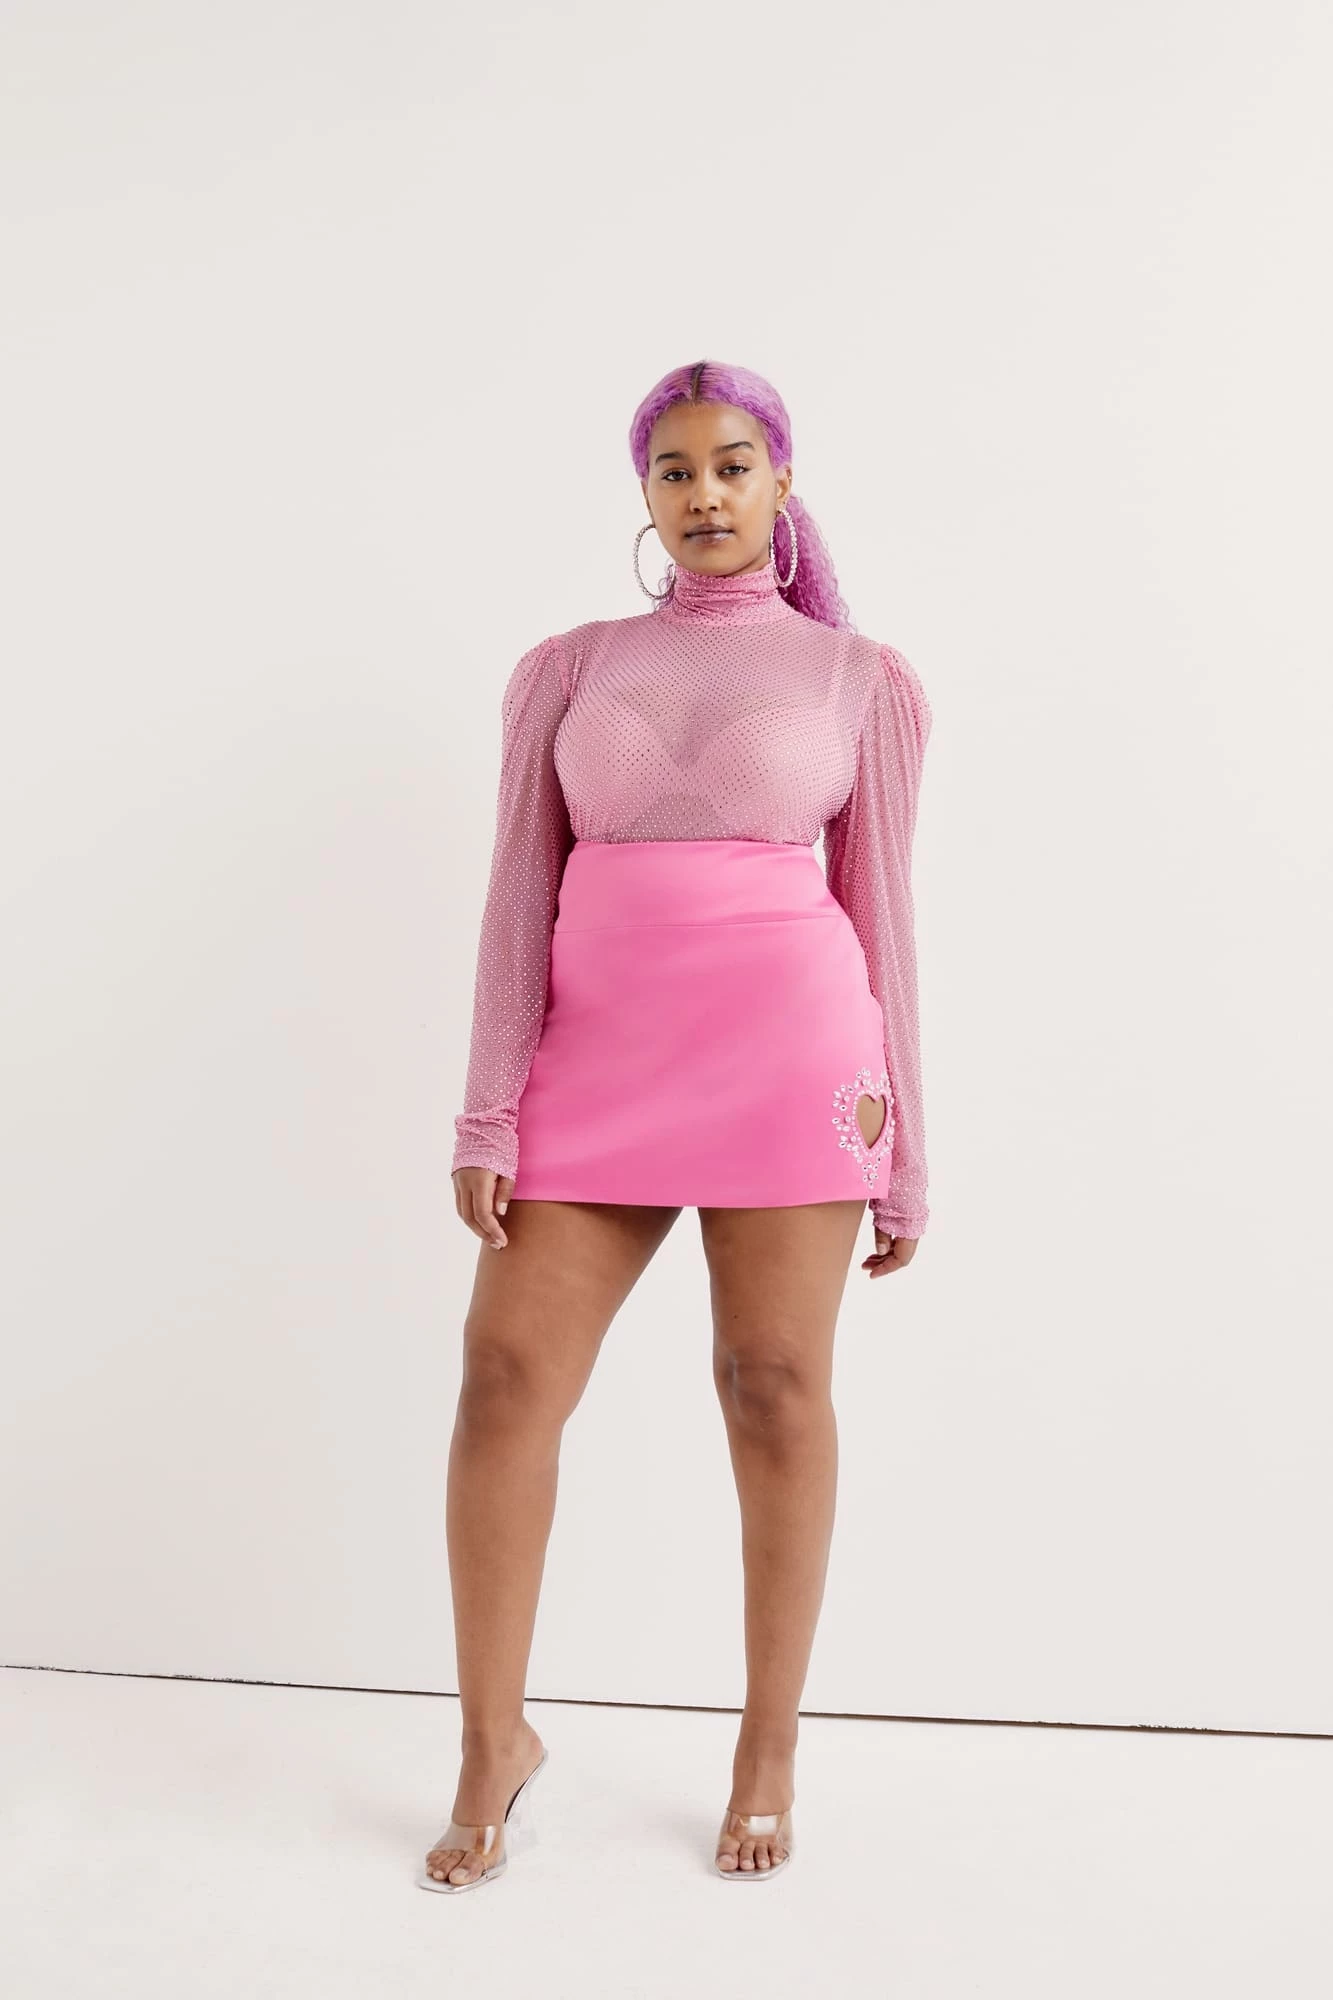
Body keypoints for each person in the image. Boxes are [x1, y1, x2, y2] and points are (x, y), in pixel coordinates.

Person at [420, 358, 933, 1892]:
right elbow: (517, 892)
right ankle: (491, 1743)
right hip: (594, 1068)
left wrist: (908, 1148)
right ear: (643, 494)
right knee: (506, 1376)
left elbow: (884, 918)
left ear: (783, 482)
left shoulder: (859, 680)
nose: (704, 494)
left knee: (772, 1387)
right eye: (674, 470)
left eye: (732, 465)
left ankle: (767, 1746)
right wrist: (488, 1108)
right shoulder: (568, 668)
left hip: (792, 1066)